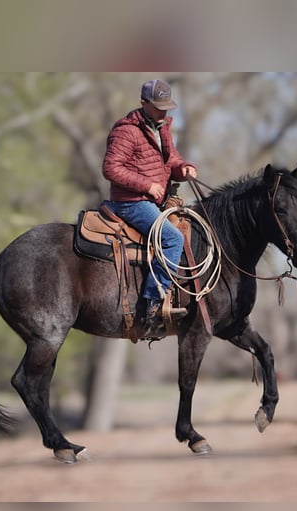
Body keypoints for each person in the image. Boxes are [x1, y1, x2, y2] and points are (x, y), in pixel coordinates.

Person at [102, 79, 198, 336]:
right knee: (173, 239)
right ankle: (152, 304)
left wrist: (183, 168)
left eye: (167, 106)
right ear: (143, 103)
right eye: (158, 106)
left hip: (153, 201)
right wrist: (146, 186)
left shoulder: (162, 127)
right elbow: (111, 168)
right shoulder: (126, 130)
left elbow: (171, 160)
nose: (164, 111)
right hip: (131, 203)